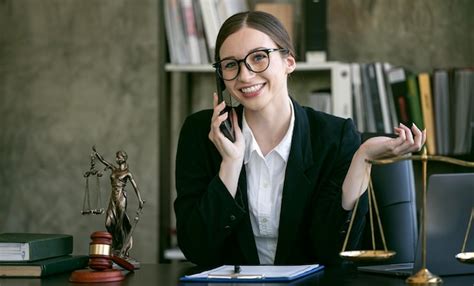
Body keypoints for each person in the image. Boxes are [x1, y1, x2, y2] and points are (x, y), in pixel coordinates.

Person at [174, 11, 426, 267]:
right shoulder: (201, 133)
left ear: (289, 62)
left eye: (259, 57)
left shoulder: (335, 137)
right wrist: (230, 164)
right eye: (230, 64)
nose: (245, 76)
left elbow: (333, 253)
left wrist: (362, 159)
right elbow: (197, 249)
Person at [93, 146, 145, 258]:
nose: (116, 159)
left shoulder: (127, 173)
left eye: (119, 157)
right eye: (116, 157)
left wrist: (140, 200)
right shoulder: (114, 169)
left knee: (119, 225)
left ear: (124, 158)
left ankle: (121, 248)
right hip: (113, 198)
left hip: (121, 198)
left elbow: (135, 186)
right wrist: (96, 154)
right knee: (108, 223)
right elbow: (104, 161)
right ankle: (115, 243)